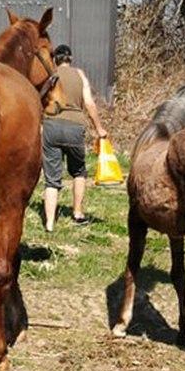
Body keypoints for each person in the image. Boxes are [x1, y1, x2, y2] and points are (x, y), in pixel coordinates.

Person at [42, 44, 107, 232]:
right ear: (70, 59)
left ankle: (50, 223)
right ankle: (78, 214)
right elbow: (89, 104)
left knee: (52, 179)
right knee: (79, 171)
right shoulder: (80, 75)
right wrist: (99, 128)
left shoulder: (50, 75)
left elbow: (40, 98)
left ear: (55, 59)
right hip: (75, 127)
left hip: (51, 126)